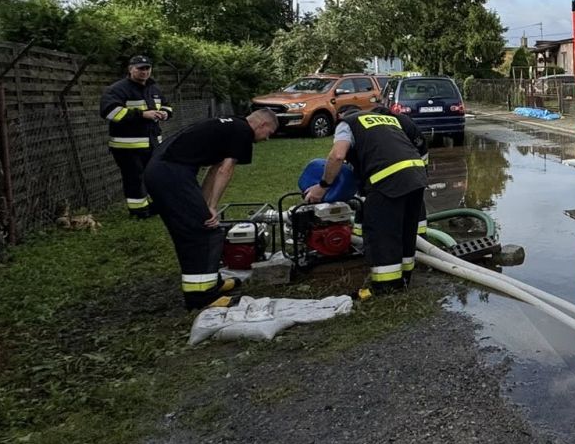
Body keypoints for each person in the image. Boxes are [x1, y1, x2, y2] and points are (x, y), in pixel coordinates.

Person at [145, 109, 279, 311]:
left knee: (200, 224)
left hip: (164, 170)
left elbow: (214, 169)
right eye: (269, 133)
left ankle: (211, 283)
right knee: (203, 233)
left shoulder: (231, 125)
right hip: (171, 174)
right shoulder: (243, 132)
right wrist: (213, 206)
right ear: (262, 125)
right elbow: (226, 169)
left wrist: (206, 205)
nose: (267, 138)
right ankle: (201, 297)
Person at [303, 106, 428, 296]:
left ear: (341, 116)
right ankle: (403, 280)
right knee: (405, 231)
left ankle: (385, 287)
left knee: (382, 232)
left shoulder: (347, 124)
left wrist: (323, 187)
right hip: (416, 175)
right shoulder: (385, 119)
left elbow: (337, 155)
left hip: (387, 178)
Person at [99, 54, 172, 218]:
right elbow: (110, 112)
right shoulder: (117, 89)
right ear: (130, 69)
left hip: (152, 143)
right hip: (127, 146)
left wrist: (164, 113)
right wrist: (142, 115)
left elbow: (167, 106)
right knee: (134, 178)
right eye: (140, 69)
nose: (144, 72)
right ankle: (139, 211)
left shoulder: (153, 88)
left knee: (154, 175)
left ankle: (154, 206)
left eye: (147, 68)